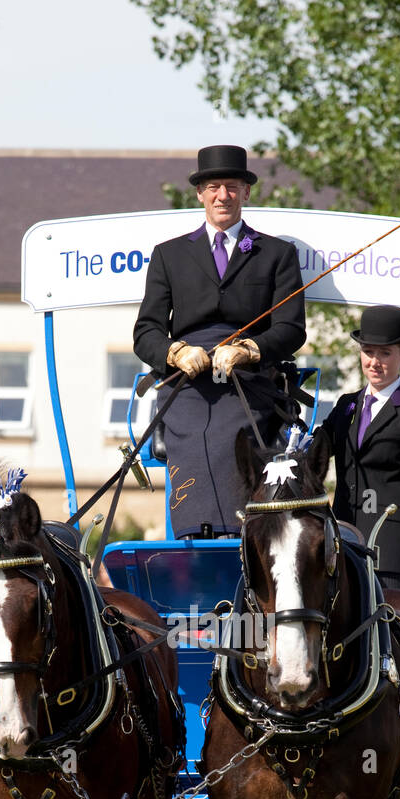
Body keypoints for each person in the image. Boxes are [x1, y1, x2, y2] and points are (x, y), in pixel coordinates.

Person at [133, 145, 306, 538]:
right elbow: (146, 333)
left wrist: (249, 350)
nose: (222, 195)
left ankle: (244, 533)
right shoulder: (169, 255)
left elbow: (292, 328)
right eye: (213, 187)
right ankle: (192, 535)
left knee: (237, 444)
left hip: (251, 384)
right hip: (187, 384)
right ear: (200, 194)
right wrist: (175, 352)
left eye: (231, 186)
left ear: (246, 192)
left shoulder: (277, 254)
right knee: (193, 441)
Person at [321, 304, 400, 592]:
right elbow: (316, 454)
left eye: (385, 353)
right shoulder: (346, 406)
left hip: (391, 558)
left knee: (385, 634)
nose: (374, 362)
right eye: (368, 352)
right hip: (341, 547)